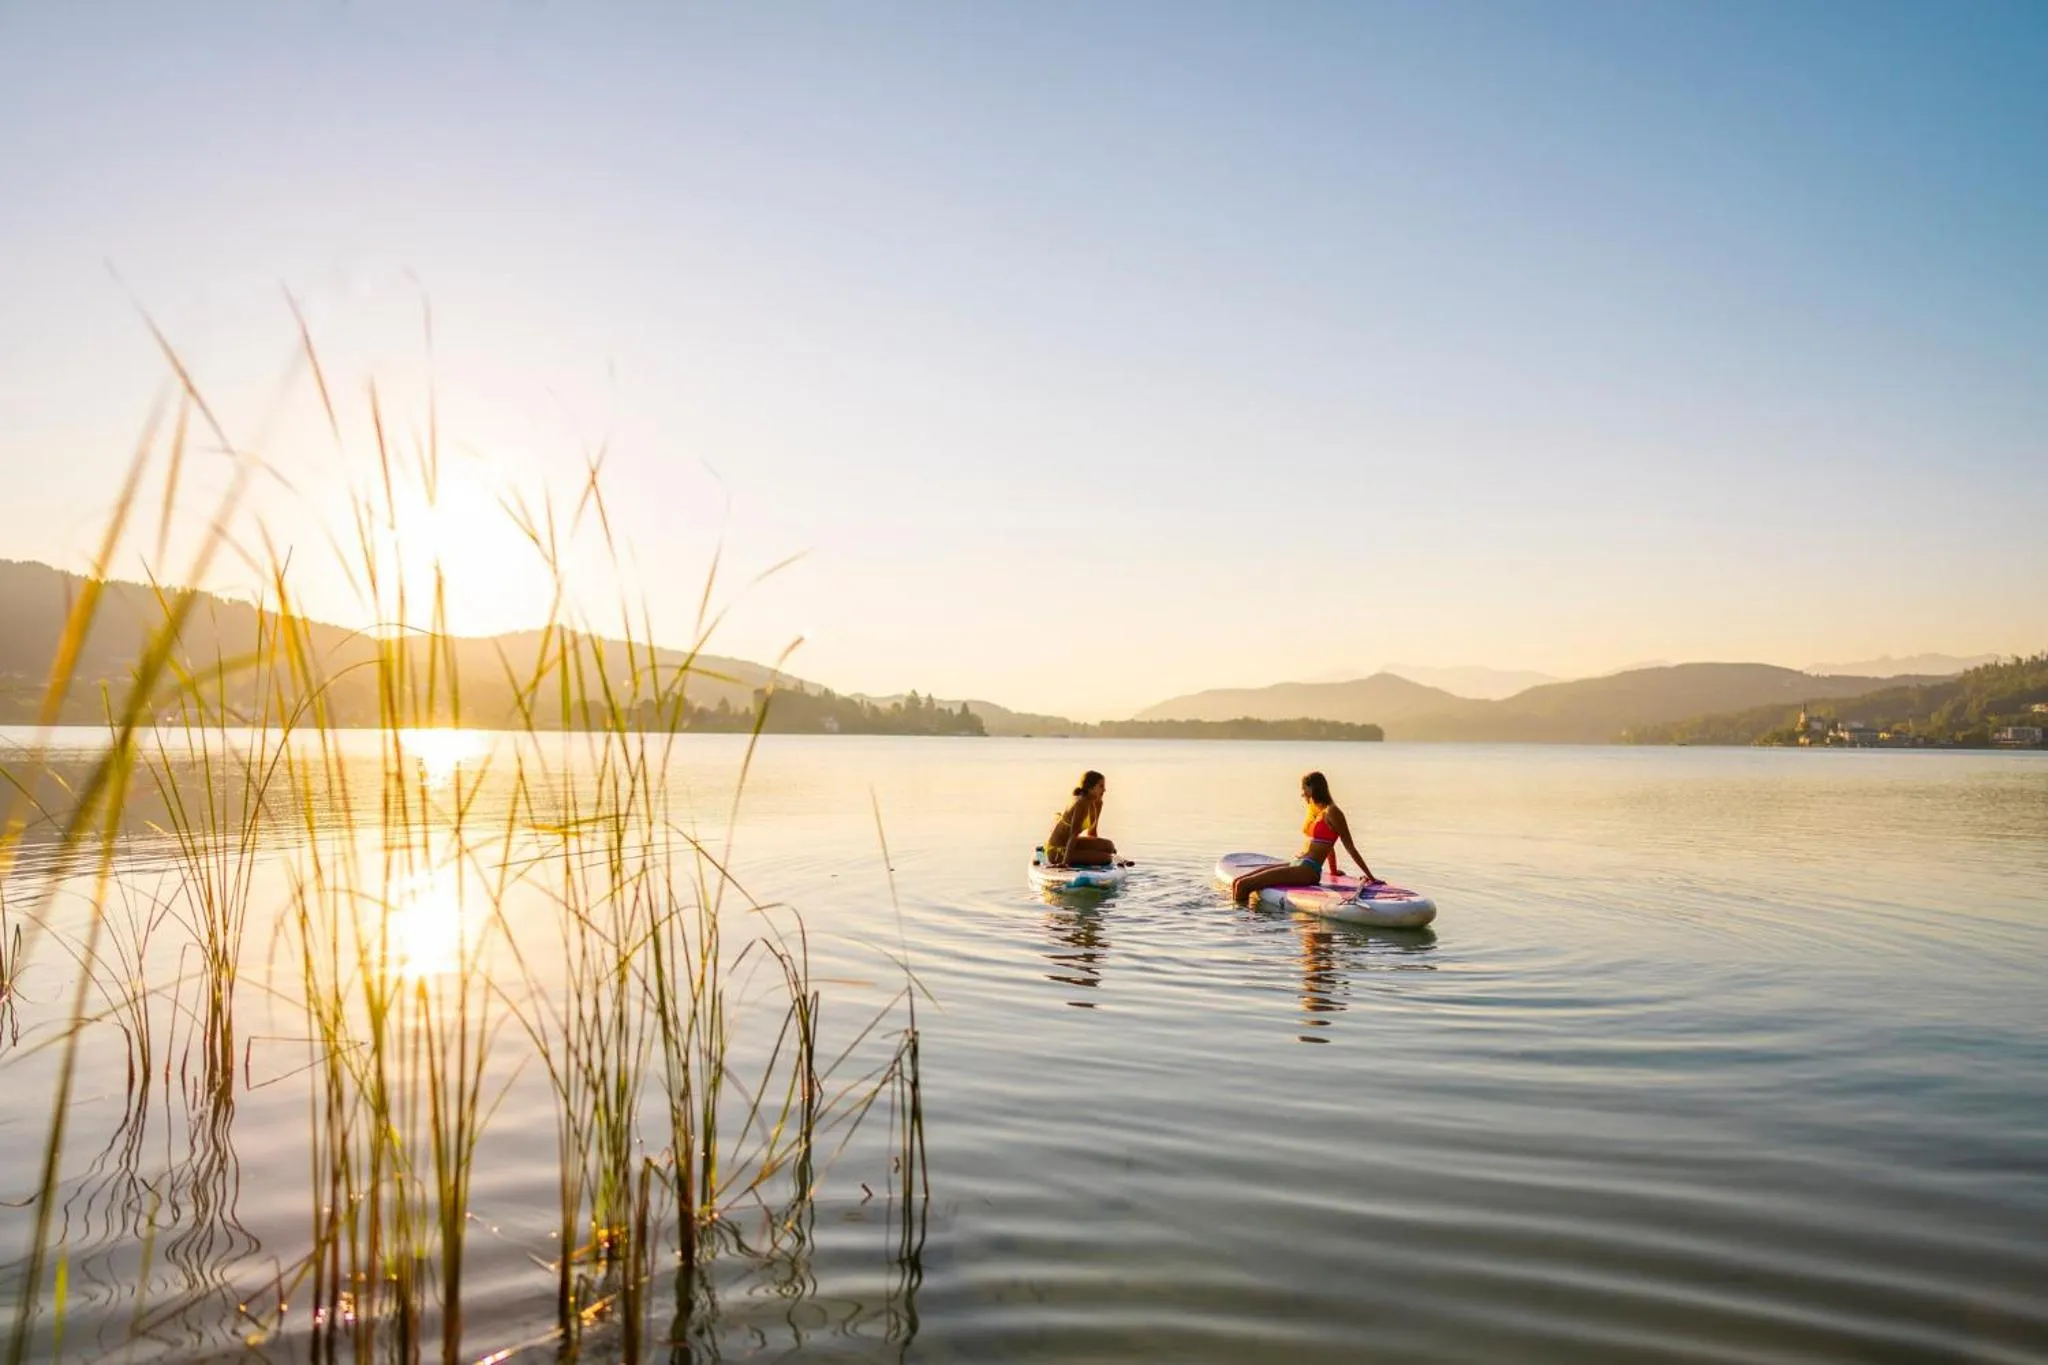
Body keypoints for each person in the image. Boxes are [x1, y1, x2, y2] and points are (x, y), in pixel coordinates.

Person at [1231, 770, 1379, 905]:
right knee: (1238, 881)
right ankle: (1241, 919)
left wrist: (1370, 877)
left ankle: (1240, 926)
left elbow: (1350, 847)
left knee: (1243, 886)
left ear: (1312, 788)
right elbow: (1329, 846)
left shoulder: (1333, 812)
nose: (1302, 794)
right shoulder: (1318, 812)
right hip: (1297, 863)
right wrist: (1333, 871)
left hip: (1308, 870)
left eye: (1303, 789)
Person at [1043, 770, 1117, 867]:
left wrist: (1097, 850)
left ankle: (1098, 855)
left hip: (1073, 844)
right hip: (1057, 851)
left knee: (1109, 846)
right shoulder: (1081, 803)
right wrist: (1065, 863)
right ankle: (1066, 859)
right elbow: (1073, 834)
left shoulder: (1098, 803)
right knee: (1106, 858)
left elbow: (1092, 833)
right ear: (1090, 788)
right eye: (1101, 786)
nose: (1104, 790)